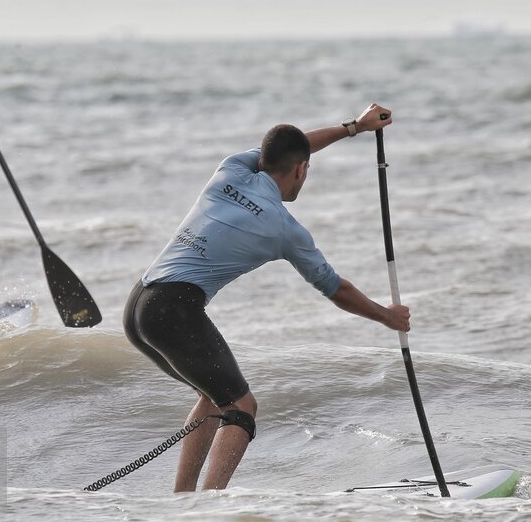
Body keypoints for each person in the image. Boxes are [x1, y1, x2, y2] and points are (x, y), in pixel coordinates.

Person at [123, 104, 410, 491]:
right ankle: (207, 506)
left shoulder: (231, 169)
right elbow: (336, 289)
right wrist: (387, 316)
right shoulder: (285, 229)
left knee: (213, 396)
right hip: (174, 310)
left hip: (139, 304)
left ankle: (183, 502)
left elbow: (293, 146)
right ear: (301, 170)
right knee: (242, 407)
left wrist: (354, 128)